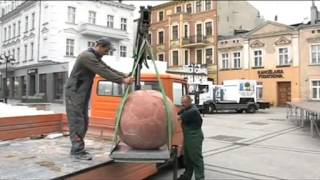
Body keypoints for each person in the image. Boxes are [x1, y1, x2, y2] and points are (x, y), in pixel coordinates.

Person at [65, 37, 133, 160]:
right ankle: (77, 151)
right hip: (74, 91)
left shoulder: (94, 57)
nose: (106, 53)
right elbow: (102, 71)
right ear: (99, 46)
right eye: (106, 50)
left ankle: (78, 148)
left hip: (81, 91)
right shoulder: (87, 56)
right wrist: (122, 80)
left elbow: (107, 68)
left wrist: (123, 74)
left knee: (84, 120)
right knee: (77, 121)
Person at [178, 95, 205, 180]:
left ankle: (200, 178)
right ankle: (187, 176)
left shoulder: (192, 111)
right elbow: (179, 112)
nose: (183, 104)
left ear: (190, 102)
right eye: (182, 102)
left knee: (196, 158)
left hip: (194, 137)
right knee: (188, 158)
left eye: (185, 102)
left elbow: (178, 117)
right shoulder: (187, 109)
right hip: (188, 137)